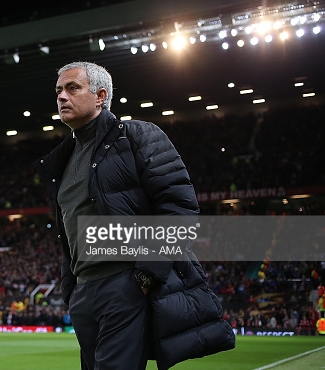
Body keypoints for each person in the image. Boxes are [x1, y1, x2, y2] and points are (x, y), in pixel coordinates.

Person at [33, 61, 234, 369]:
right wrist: (71, 289)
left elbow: (179, 208)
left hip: (123, 285)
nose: (62, 96)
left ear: (101, 96)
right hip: (84, 292)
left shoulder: (137, 136)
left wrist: (144, 276)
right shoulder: (64, 159)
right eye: (59, 90)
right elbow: (70, 234)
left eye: (73, 88)